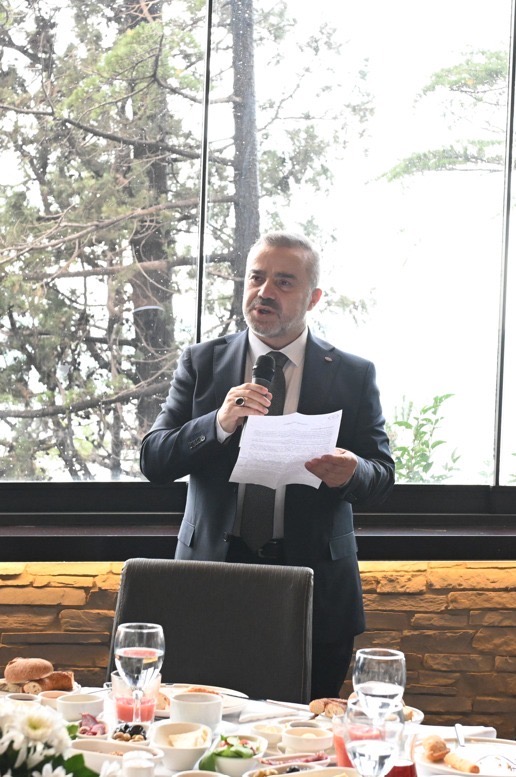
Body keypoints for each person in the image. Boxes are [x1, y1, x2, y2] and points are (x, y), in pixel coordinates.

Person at [140, 231, 395, 699]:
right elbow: (154, 459)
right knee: (204, 725)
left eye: (284, 282)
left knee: (304, 732)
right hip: (210, 578)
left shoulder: (353, 374)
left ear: (313, 298)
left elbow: (381, 475)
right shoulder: (202, 362)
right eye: (256, 278)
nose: (264, 292)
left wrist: (352, 471)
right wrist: (217, 423)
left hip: (315, 587)